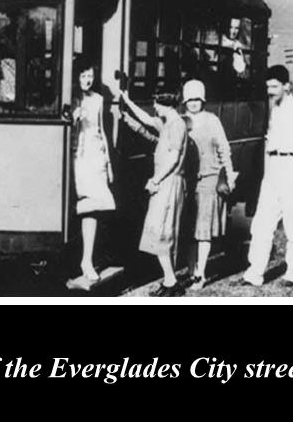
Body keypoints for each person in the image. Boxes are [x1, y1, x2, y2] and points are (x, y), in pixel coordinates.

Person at [238, 65, 293, 288]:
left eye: (275, 86)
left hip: (292, 166)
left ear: (286, 86)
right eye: (268, 86)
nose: (270, 91)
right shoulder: (274, 110)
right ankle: (254, 274)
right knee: (261, 224)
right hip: (273, 170)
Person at [118, 86, 190, 296]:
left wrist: (155, 179)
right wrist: (127, 101)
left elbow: (174, 157)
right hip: (165, 183)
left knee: (162, 231)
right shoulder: (169, 123)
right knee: (158, 231)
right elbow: (146, 119)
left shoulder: (176, 126)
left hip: (168, 182)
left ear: (165, 104)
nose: (154, 108)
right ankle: (169, 280)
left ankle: (171, 283)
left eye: (156, 104)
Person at [180, 79, 236, 290]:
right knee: (188, 230)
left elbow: (224, 149)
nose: (193, 103)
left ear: (202, 100)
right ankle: (191, 270)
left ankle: (200, 274)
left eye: (197, 99)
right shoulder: (180, 121)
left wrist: (229, 175)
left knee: (203, 230)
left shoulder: (212, 120)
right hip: (187, 181)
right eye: (189, 100)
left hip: (209, 179)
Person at [67, 63, 116, 281]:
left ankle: (86, 260)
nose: (87, 80)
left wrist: (108, 161)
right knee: (78, 207)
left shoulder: (97, 98)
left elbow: (101, 129)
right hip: (76, 155)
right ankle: (74, 258)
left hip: (95, 156)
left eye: (90, 76)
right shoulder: (68, 97)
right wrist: (73, 119)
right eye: (83, 75)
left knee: (92, 208)